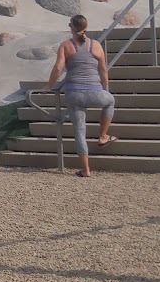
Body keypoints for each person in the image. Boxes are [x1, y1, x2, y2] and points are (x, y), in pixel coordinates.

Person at [45, 13, 115, 178]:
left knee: (79, 131)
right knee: (110, 101)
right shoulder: (96, 45)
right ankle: (103, 136)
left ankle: (86, 170)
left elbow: (57, 68)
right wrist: (105, 89)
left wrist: (48, 86)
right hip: (95, 92)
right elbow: (103, 70)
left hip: (73, 93)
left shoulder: (66, 45)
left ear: (72, 28)